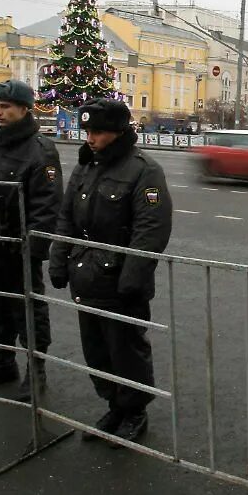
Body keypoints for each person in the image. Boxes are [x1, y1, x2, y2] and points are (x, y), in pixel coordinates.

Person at [48, 99, 172, 446]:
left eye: (98, 132)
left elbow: (151, 230)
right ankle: (114, 405)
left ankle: (134, 412)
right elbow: (67, 218)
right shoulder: (86, 167)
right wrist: (58, 260)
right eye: (87, 130)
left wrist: (131, 280)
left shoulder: (143, 170)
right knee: (97, 351)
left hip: (120, 282)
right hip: (86, 276)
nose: (90, 138)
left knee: (126, 350)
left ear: (118, 132)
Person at [0, 80, 64, 401]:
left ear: (24, 109)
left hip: (17, 245)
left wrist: (32, 249)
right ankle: (3, 362)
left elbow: (47, 207)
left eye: (5, 107)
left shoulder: (40, 149)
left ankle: (37, 371)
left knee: (28, 310)